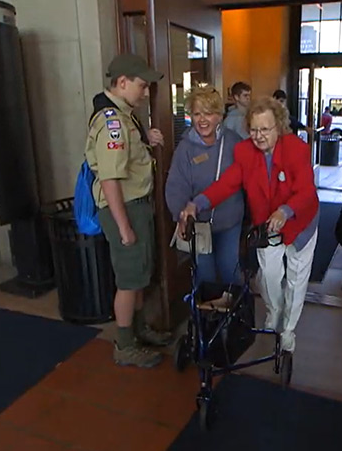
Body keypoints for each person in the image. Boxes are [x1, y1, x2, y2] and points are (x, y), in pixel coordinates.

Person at [180, 97, 319, 355]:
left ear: (278, 126)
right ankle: (274, 311)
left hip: (300, 222)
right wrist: (196, 204)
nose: (259, 136)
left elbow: (307, 190)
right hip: (266, 225)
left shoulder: (296, 148)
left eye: (265, 129)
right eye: (254, 129)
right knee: (268, 277)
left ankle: (287, 331)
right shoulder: (244, 152)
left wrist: (285, 210)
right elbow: (227, 184)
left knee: (296, 280)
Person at [85, 54, 173, 369]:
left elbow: (127, 154)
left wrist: (145, 138)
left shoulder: (124, 116)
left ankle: (138, 331)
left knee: (138, 275)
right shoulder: (112, 123)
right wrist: (124, 228)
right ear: (122, 83)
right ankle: (124, 345)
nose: (146, 92)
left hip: (135, 206)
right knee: (128, 280)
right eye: (142, 86)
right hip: (123, 209)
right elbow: (109, 180)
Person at [165, 86, 244, 286]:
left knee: (230, 271)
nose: (202, 120)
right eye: (197, 113)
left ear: (220, 116)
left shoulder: (235, 143)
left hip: (229, 221)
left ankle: (236, 315)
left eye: (208, 113)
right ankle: (209, 316)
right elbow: (176, 185)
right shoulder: (185, 148)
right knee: (205, 276)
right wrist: (181, 215)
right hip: (198, 224)